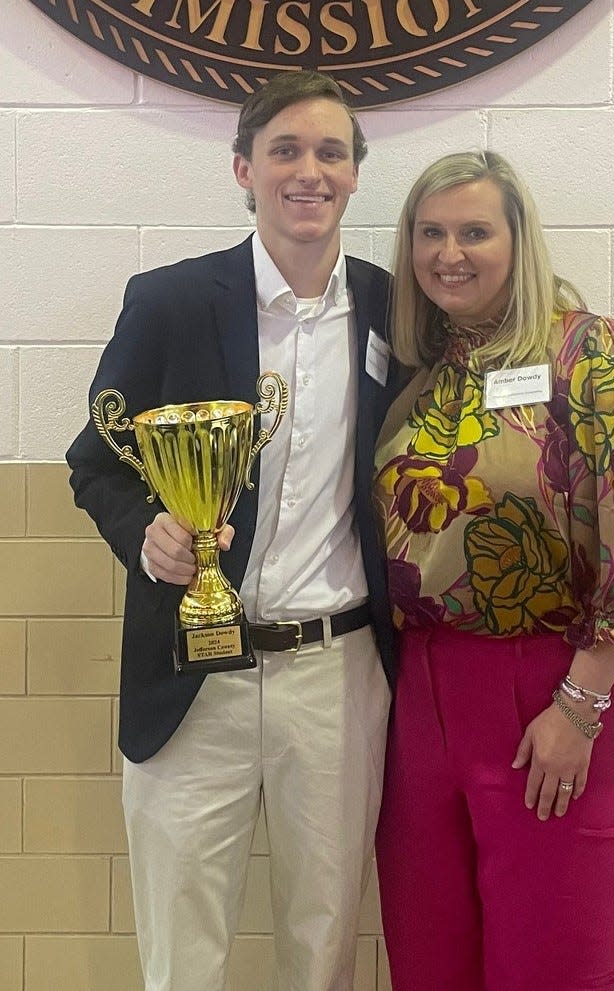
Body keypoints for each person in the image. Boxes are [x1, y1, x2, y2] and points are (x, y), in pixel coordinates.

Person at [66, 69, 399, 991]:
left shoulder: (393, 310)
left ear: (356, 174)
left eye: (331, 151)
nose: (309, 170)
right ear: (243, 169)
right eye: (285, 149)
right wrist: (147, 536)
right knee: (182, 950)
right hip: (192, 674)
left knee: (322, 942)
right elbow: (93, 463)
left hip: (335, 673)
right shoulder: (171, 302)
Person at [372, 151, 614, 991]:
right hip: (425, 691)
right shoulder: (419, 374)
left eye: (475, 231)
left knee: (556, 959)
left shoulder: (591, 352)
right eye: (429, 233)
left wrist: (579, 708)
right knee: (430, 958)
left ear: (519, 240)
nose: (449, 252)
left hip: (557, 683)